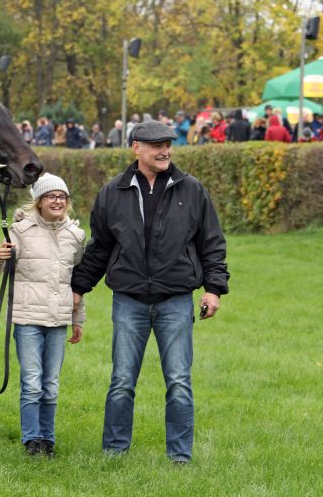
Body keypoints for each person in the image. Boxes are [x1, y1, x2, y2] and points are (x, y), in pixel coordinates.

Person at [71, 120, 229, 463]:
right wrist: (79, 287)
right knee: (122, 381)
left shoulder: (192, 190)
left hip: (176, 300)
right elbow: (100, 248)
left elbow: (211, 243)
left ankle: (180, 457)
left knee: (179, 382)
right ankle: (114, 453)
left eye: (168, 145)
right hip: (129, 301)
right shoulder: (113, 192)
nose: (165, 151)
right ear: (136, 148)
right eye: (157, 145)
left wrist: (214, 289)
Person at [0, 173, 86, 457]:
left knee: (50, 385)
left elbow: (76, 282)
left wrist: (77, 320)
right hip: (28, 319)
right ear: (39, 201)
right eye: (51, 196)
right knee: (32, 382)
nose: (57, 201)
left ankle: (47, 439)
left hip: (58, 320)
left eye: (62, 197)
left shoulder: (76, 236)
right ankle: (32, 439)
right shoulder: (20, 231)